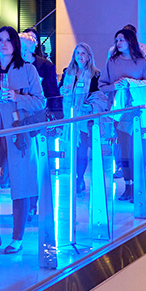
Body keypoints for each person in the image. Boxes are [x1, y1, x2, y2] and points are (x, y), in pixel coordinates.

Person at [0, 26, 45, 254]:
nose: (3, 44)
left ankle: (17, 238)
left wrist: (17, 97)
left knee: (21, 185)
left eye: (8, 40)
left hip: (17, 132)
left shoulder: (28, 69)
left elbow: (40, 102)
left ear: (15, 44)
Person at [99, 28, 146, 201]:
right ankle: (128, 185)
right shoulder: (112, 62)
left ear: (130, 41)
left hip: (138, 112)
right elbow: (102, 86)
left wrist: (132, 84)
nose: (118, 43)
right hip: (120, 113)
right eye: (117, 40)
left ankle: (139, 185)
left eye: (121, 39)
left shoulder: (142, 62)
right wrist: (115, 86)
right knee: (124, 149)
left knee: (139, 148)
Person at [59, 42, 107, 194]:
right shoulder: (67, 73)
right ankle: (74, 177)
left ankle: (79, 179)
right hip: (68, 118)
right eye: (77, 53)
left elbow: (100, 97)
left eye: (83, 53)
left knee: (81, 151)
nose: (80, 56)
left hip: (84, 121)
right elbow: (60, 91)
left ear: (89, 57)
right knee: (71, 150)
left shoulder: (95, 75)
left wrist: (90, 106)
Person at [20, 30, 63, 121]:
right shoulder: (14, 65)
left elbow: (53, 93)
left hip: (39, 114)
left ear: (25, 48)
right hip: (19, 113)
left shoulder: (46, 65)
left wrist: (58, 117)